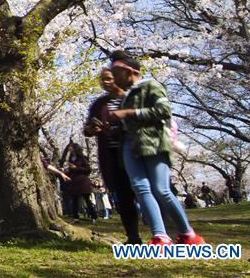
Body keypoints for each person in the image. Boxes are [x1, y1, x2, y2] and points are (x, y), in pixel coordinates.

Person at [106, 50, 205, 246]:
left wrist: (127, 112)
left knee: (161, 189)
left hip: (154, 143)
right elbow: (127, 124)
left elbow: (163, 110)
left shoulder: (151, 86)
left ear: (130, 70)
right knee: (140, 188)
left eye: (116, 71)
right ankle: (160, 236)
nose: (114, 76)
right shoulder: (126, 96)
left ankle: (188, 234)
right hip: (130, 145)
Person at [83, 67, 141, 244]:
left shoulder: (133, 98)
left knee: (143, 191)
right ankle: (133, 236)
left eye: (108, 78)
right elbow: (87, 130)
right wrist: (92, 129)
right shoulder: (99, 105)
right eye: (102, 79)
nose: (105, 82)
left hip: (136, 152)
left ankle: (161, 233)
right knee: (123, 195)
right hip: (112, 154)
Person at [64, 143, 96, 221]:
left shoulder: (82, 158)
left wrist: (76, 168)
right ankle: (75, 217)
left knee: (87, 199)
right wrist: (66, 171)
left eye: (71, 147)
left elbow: (88, 169)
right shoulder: (70, 159)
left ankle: (93, 216)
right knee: (74, 200)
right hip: (74, 182)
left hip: (83, 182)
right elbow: (70, 171)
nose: (69, 149)